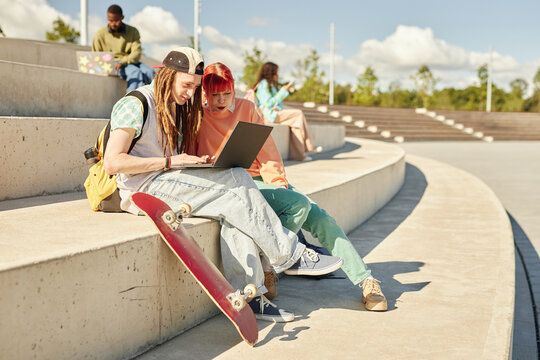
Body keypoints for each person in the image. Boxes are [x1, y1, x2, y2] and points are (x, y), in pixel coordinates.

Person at [103, 48, 343, 323]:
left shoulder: (174, 105)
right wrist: (170, 162)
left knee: (236, 182)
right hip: (143, 188)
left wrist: (194, 163)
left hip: (170, 177)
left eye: (195, 88)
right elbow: (113, 162)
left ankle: (249, 296)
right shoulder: (135, 103)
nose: (190, 94)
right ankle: (290, 255)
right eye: (186, 86)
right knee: (235, 189)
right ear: (168, 76)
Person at [195, 62, 388, 311]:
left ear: (234, 89)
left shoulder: (248, 108)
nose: (221, 100)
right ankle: (271, 268)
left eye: (226, 93)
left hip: (261, 178)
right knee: (299, 205)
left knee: (320, 218)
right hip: (233, 184)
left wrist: (278, 182)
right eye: (215, 94)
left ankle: (366, 280)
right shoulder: (197, 116)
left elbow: (268, 153)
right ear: (205, 93)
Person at [254, 62, 321, 161]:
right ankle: (310, 146)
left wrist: (277, 107)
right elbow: (268, 103)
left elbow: (277, 104)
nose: (278, 75)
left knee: (296, 123)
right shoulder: (263, 84)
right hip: (268, 116)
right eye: (276, 73)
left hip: (274, 114)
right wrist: (283, 91)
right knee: (298, 113)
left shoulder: (271, 86)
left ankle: (299, 155)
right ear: (271, 73)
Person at [92, 4, 154, 92]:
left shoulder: (133, 32)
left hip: (129, 61)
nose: (113, 24)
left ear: (122, 17)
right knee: (135, 72)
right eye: (110, 20)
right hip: (113, 64)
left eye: (116, 20)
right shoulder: (99, 35)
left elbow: (136, 53)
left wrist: (123, 61)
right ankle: (131, 102)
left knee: (150, 72)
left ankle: (157, 101)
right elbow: (96, 56)